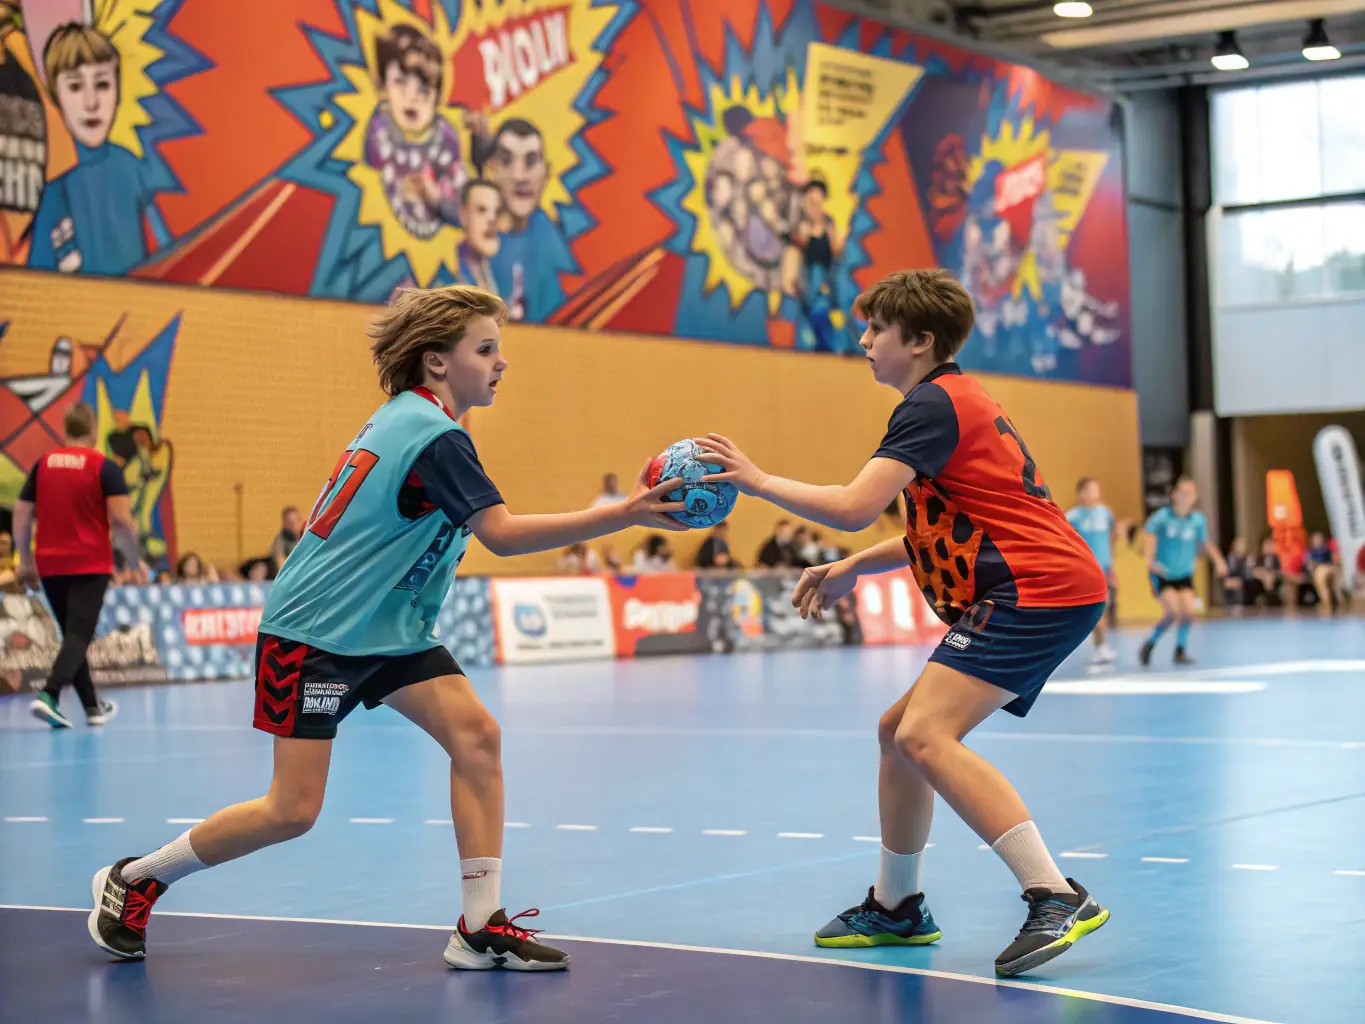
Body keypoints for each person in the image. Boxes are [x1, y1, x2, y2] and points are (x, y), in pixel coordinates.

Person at [87, 285, 684, 971]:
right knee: (292, 809)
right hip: (314, 635)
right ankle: (136, 879)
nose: (500, 363)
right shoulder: (434, 437)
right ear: (435, 363)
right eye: (485, 349)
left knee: (477, 737)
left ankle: (480, 923)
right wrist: (626, 513)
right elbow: (504, 535)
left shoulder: (406, 418)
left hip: (389, 630)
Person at [695, 269, 1109, 978]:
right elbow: (951, 526)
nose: (861, 341)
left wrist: (758, 482)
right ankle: (897, 907)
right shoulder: (950, 401)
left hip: (1035, 588)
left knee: (924, 733)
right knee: (897, 732)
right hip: (1037, 582)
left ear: (918, 341)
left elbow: (855, 503)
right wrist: (856, 565)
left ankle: (1053, 894)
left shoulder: (931, 405)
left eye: (874, 329)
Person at [13, 404, 143, 728]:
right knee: (78, 634)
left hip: (50, 563)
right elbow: (122, 522)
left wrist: (24, 559)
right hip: (89, 563)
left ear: (65, 429)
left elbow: (21, 514)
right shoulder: (105, 467)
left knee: (74, 633)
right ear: (93, 430)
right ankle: (50, 695)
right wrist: (136, 562)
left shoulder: (42, 465)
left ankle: (92, 706)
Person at [1139, 477, 1227, 666]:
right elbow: (1149, 535)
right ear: (1174, 494)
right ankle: (1150, 642)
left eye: (1191, 493)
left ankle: (1180, 650)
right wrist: (1149, 560)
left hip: (1184, 573)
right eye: (1183, 492)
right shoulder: (1163, 517)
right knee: (1172, 611)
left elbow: (1206, 543)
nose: (1187, 496)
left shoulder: (1197, 521)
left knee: (1189, 612)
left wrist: (1219, 561)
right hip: (1163, 573)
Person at [1064, 478, 1117, 666]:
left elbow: (1111, 538)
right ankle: (1099, 645)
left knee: (1105, 607)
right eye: (1089, 490)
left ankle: (1101, 645)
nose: (1093, 493)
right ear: (1081, 493)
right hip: (1086, 568)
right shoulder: (1073, 517)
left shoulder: (1105, 513)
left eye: (1096, 489)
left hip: (1104, 566)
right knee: (1096, 608)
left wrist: (1111, 565)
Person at [1305, 532, 1345, 613]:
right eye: (1316, 539)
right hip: (1317, 571)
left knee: (1323, 577)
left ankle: (1330, 605)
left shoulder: (1327, 550)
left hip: (1327, 569)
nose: (1318, 540)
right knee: (1321, 581)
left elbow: (1336, 560)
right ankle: (1327, 604)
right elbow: (1308, 564)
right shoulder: (1310, 552)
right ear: (1312, 541)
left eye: (1320, 538)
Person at [269, 507, 303, 577]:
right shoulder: (280, 541)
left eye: (297, 520)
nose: (295, 525)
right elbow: (280, 564)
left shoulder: (306, 536)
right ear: (284, 523)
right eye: (291, 522)